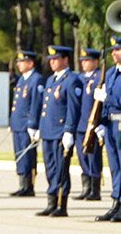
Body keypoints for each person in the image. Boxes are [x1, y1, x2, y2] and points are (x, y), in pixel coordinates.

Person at [31, 45, 83, 217]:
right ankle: (51, 202)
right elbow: (46, 108)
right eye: (50, 60)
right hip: (48, 132)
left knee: (61, 169)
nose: (52, 62)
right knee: (50, 168)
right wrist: (40, 127)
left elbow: (73, 109)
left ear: (65, 60)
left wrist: (69, 131)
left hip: (61, 132)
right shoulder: (51, 80)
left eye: (55, 59)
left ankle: (61, 204)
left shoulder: (72, 80)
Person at [8, 51, 43, 196]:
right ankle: (22, 184)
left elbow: (36, 103)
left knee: (27, 155)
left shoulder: (36, 79)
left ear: (30, 63)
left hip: (27, 125)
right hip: (18, 124)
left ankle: (29, 185)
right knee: (19, 155)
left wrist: (33, 124)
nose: (18, 64)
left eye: (22, 61)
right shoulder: (22, 79)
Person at [94, 36, 121, 221]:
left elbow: (116, 100)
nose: (114, 53)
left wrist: (106, 97)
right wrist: (101, 123)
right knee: (114, 166)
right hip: (111, 124)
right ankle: (116, 202)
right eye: (112, 50)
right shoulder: (111, 73)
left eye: (117, 50)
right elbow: (105, 105)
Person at [74, 48, 103, 201]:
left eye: (87, 60)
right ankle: (86, 187)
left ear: (95, 62)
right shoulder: (80, 78)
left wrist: (100, 123)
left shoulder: (100, 77)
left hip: (92, 125)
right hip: (80, 124)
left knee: (93, 157)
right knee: (82, 156)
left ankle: (95, 189)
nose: (84, 63)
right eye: (83, 61)